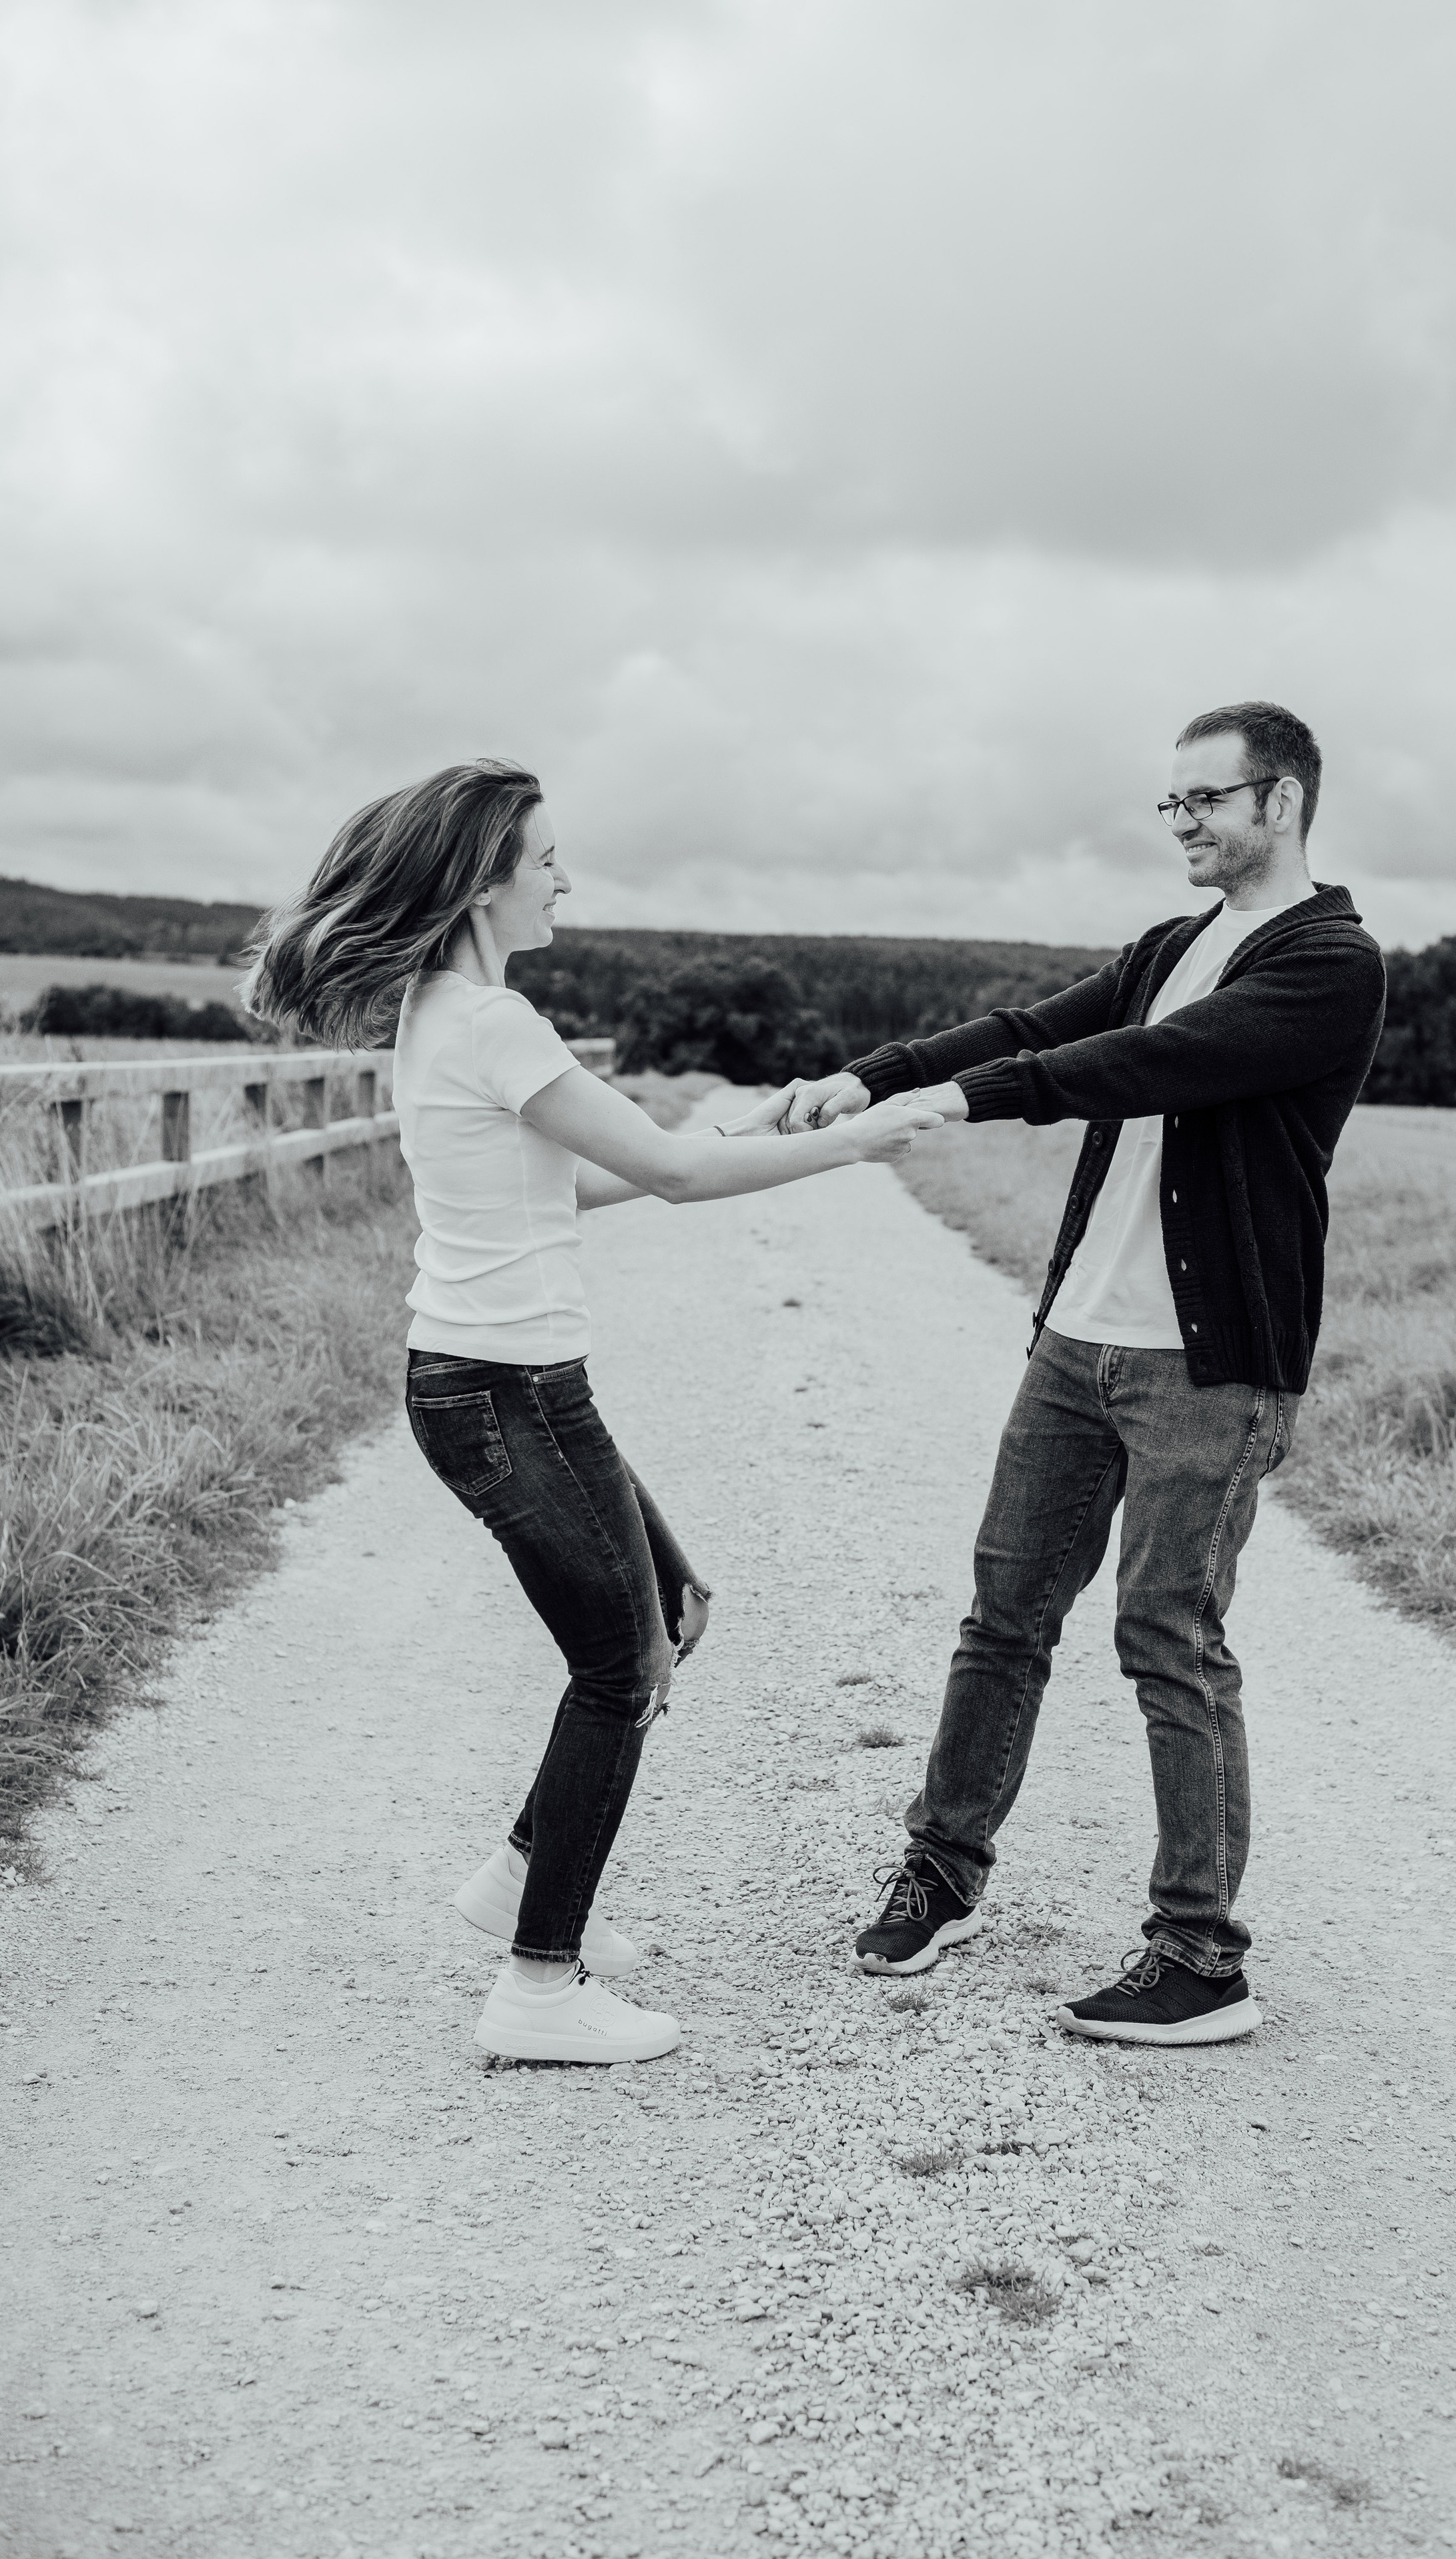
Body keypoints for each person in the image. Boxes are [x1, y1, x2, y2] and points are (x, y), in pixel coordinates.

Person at [240, 760, 940, 2066]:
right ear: (483, 878)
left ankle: (521, 1887)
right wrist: (850, 1143)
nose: (566, 877)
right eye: (547, 857)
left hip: (510, 1388)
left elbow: (572, 1185)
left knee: (671, 1616)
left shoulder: (457, 1012)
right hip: (501, 1394)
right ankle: (537, 1986)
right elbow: (670, 1175)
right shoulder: (490, 1024)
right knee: (619, 1670)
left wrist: (726, 1131)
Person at [778, 703, 1385, 2046]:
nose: (1179, 826)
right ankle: (940, 1873)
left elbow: (1147, 1066)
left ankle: (1198, 1959)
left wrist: (958, 1105)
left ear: (1277, 804)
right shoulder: (1174, 944)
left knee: (1167, 1637)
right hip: (1077, 1343)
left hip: (1207, 1366)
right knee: (1003, 1616)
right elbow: (1025, 1021)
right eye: (1166, 805)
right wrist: (871, 1073)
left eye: (1201, 802)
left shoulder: (1327, 964)